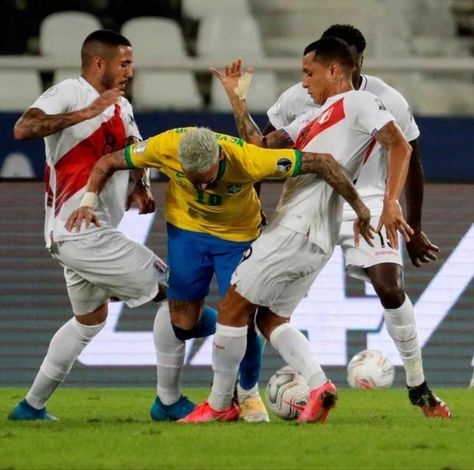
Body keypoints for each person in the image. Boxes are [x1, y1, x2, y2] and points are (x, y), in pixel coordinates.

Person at [211, 24, 451, 419]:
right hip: (317, 210)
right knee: (265, 315)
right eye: (304, 72)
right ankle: (274, 388)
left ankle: (418, 385)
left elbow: (407, 151)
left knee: (389, 287)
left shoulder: (375, 99)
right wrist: (238, 100)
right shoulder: (304, 105)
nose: (304, 81)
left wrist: (398, 208)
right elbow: (259, 152)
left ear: (346, 65)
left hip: (365, 200)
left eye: (310, 72)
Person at [66, 121, 374, 422]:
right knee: (184, 323)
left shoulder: (250, 159)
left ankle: (248, 392)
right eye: (192, 179)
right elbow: (108, 162)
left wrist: (360, 208)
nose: (201, 186)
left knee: (243, 313)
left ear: (220, 158)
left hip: (237, 237)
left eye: (207, 178)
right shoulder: (166, 145)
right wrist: (91, 201)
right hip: (186, 232)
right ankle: (233, 330)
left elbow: (323, 163)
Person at [8, 29, 167, 421]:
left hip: (87, 232)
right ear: (100, 63)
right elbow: (23, 128)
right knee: (174, 288)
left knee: (90, 320)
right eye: (124, 63)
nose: (130, 70)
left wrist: (140, 186)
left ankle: (31, 407)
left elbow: (133, 150)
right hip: (77, 227)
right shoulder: (70, 92)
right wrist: (85, 113)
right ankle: (173, 400)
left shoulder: (122, 106)